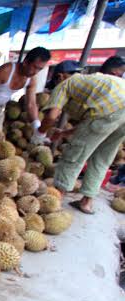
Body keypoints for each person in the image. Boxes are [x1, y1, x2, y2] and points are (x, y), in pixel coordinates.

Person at [32, 72, 125, 214]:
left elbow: (51, 116)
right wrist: (63, 133)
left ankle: (57, 198)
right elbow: (90, 123)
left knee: (75, 152)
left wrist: (39, 134)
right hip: (120, 115)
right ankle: (86, 202)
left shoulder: (66, 84)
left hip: (110, 111)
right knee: (102, 158)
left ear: (61, 76)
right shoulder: (89, 81)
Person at [0, 47, 51, 130]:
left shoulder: (31, 80)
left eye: (40, 69)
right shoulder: (6, 70)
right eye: (35, 67)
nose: (36, 72)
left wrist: (36, 126)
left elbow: (31, 104)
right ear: (26, 62)